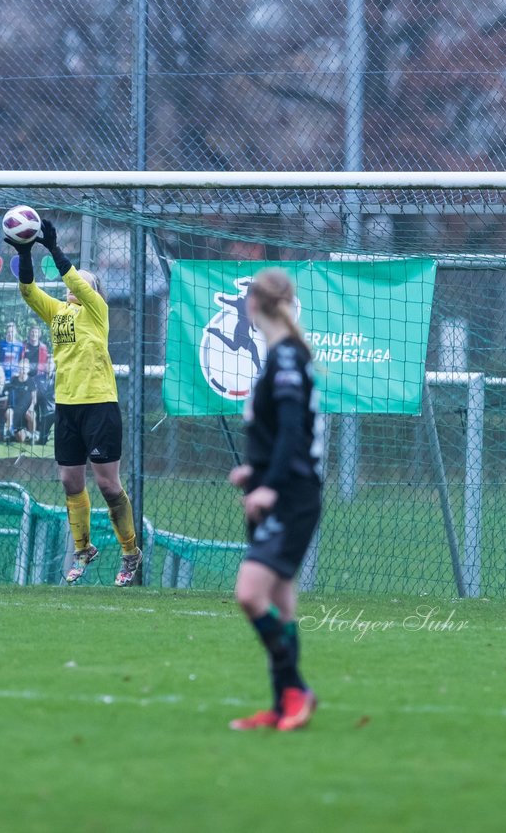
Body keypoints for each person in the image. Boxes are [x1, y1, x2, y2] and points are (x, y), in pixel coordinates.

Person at [7, 219, 141, 587]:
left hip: (99, 404)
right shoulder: (59, 314)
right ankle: (84, 550)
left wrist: (53, 249)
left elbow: (76, 281)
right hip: (67, 406)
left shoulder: (97, 312)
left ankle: (130, 553)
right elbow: (29, 292)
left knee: (109, 486)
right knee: (69, 480)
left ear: (93, 290)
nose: (73, 285)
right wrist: (24, 251)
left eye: (82, 281)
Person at [225, 268, 323, 733]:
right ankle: (285, 705)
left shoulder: (286, 358)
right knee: (281, 606)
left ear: (253, 305)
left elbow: (289, 433)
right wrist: (255, 472)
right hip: (282, 487)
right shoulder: (284, 355)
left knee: (250, 594)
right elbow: (286, 434)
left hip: (290, 497)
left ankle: (296, 690)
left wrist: (268, 485)